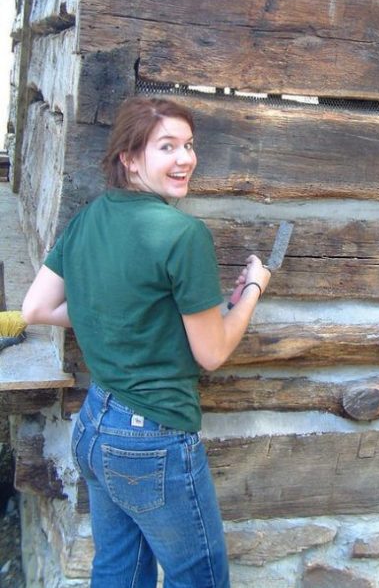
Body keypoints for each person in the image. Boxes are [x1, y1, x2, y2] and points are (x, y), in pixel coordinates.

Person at [22, 96, 270, 588]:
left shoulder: (90, 216)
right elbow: (213, 352)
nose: (185, 159)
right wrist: (253, 291)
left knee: (119, 573)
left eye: (189, 145)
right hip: (151, 439)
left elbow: (38, 308)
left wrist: (119, 317)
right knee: (200, 580)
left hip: (95, 425)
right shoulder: (182, 235)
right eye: (167, 147)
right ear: (130, 159)